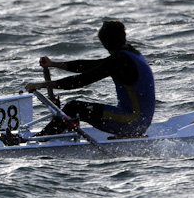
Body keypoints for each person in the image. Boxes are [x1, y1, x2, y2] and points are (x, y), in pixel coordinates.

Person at [25, 20, 155, 137]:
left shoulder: (119, 61)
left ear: (105, 43)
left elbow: (80, 80)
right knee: (74, 108)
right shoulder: (130, 53)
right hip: (138, 121)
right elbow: (91, 66)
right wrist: (53, 64)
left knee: (74, 107)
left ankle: (42, 140)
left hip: (132, 122)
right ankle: (58, 135)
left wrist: (42, 85)